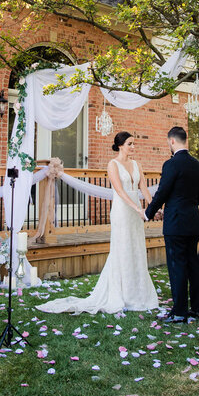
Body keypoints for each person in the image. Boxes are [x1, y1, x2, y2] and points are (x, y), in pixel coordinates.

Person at [37, 132, 159, 315]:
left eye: (134, 143)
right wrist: (137, 209)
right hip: (123, 211)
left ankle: (139, 292)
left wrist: (151, 208)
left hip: (137, 213)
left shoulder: (137, 164)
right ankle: (122, 293)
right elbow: (119, 190)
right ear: (120, 146)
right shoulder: (113, 164)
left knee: (137, 248)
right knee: (123, 248)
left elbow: (142, 187)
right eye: (130, 144)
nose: (133, 147)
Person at [144, 126, 199, 323]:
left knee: (177, 266)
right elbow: (198, 195)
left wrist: (149, 212)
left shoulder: (171, 164)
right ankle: (196, 310)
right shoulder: (197, 165)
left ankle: (179, 312)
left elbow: (162, 191)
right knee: (193, 265)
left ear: (172, 141)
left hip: (176, 222)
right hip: (193, 220)